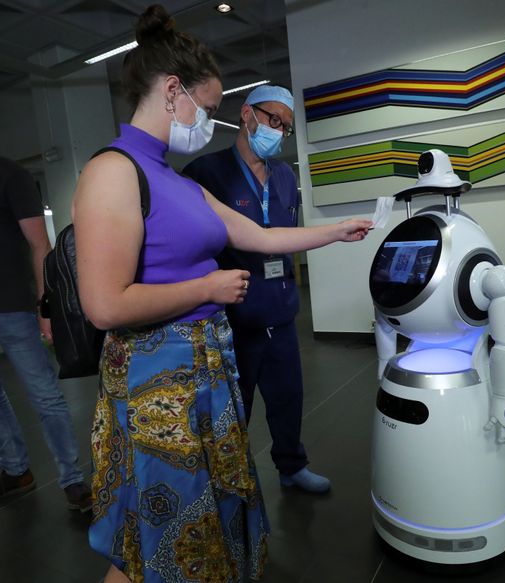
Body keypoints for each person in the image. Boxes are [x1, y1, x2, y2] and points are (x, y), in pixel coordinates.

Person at [72, 6, 371, 583]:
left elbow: (257, 236)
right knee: (160, 530)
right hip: (157, 386)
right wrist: (207, 287)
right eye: (207, 111)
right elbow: (104, 305)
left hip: (204, 376)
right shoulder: (114, 171)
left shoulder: (174, 178)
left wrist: (334, 231)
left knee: (190, 523)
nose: (210, 123)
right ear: (171, 91)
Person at [183, 85, 329, 494]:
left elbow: (286, 235)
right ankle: (226, 483)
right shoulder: (205, 174)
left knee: (288, 400)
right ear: (247, 114)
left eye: (284, 127)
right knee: (232, 410)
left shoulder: (285, 176)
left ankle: (291, 466)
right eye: (272, 120)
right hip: (234, 321)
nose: (278, 132)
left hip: (280, 313)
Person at [0, 156, 92, 513]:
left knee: (45, 396)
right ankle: (15, 469)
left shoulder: (13, 176)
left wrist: (45, 306)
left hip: (14, 306)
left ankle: (71, 479)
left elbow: (40, 245)